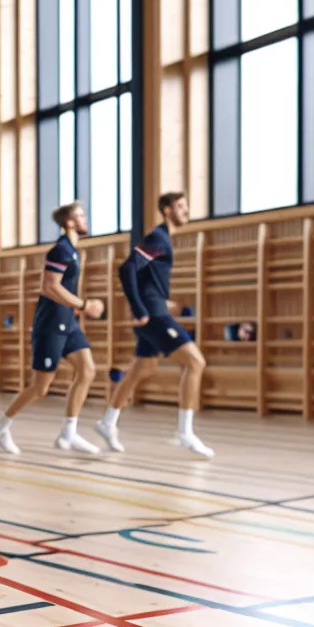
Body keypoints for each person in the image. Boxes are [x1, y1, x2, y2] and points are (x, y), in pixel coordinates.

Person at [95, 191, 213, 458]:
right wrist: (142, 308)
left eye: (186, 205)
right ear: (168, 210)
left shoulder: (163, 240)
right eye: (181, 207)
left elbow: (146, 278)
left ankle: (108, 422)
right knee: (196, 363)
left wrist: (159, 300)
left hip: (155, 309)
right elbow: (127, 269)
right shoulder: (158, 238)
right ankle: (184, 432)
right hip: (152, 316)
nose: (186, 211)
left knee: (141, 368)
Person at [0, 202, 106, 455]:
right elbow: (49, 286)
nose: (86, 219)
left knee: (87, 370)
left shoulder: (73, 251)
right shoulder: (60, 251)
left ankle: (69, 434)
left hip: (69, 324)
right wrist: (84, 305)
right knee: (40, 388)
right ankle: (0, 426)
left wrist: (78, 309)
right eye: (80, 216)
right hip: (50, 325)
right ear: (69, 223)